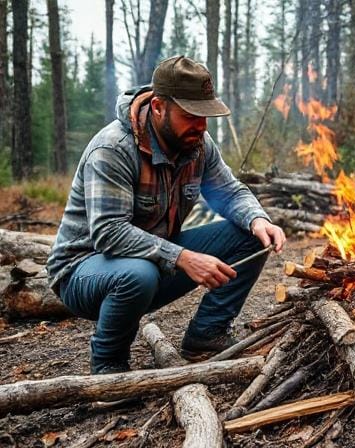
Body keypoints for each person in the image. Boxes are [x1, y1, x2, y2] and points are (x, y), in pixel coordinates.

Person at [47, 56, 286, 374]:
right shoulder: (113, 149)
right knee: (137, 274)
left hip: (153, 261)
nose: (200, 126)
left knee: (249, 235)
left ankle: (206, 335)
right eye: (191, 116)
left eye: (205, 117)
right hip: (84, 272)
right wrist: (184, 257)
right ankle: (108, 367)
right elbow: (108, 233)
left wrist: (259, 219)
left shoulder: (198, 144)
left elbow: (229, 192)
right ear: (159, 107)